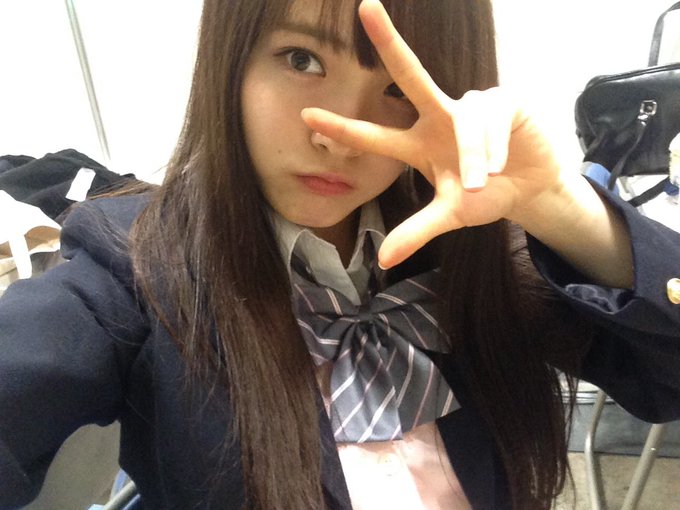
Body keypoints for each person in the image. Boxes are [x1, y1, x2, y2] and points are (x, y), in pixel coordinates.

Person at [1, 0, 680, 508]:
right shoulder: (135, 267)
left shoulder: (469, 248)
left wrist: (558, 202)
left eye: (396, 88)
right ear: (230, 62)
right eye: (302, 59)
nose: (343, 137)